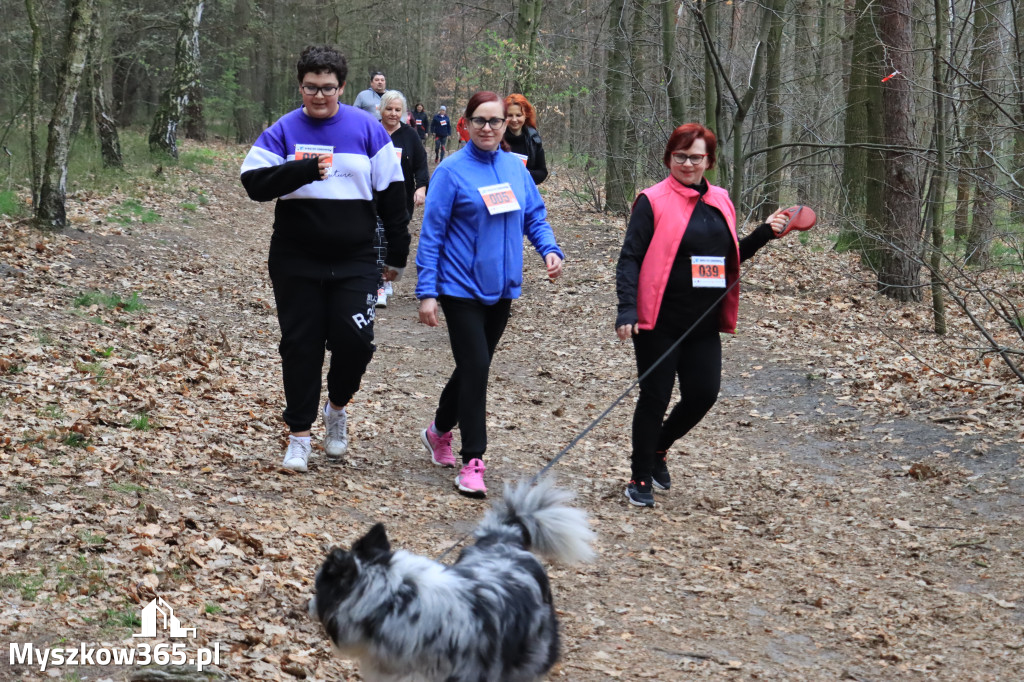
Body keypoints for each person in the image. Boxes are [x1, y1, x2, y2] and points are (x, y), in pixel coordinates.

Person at [240, 46, 409, 473]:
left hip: (355, 258)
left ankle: (337, 408)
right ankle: (299, 435)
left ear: (342, 88)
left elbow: (393, 196)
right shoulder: (283, 129)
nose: (320, 97)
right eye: (312, 88)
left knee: (355, 343)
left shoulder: (367, 128)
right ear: (300, 86)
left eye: (328, 89)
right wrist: (301, 169)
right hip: (296, 258)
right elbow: (254, 184)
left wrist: (398, 256)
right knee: (301, 346)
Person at [615, 122, 792, 508]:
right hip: (659, 318)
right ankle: (640, 475)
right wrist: (626, 308)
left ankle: (658, 448)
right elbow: (630, 257)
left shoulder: (721, 200)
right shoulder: (652, 200)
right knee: (655, 395)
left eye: (696, 157)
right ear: (669, 157)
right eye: (680, 156)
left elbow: (728, 260)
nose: (687, 163)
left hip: (703, 320)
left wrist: (765, 233)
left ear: (709, 161)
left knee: (703, 395)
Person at [416, 91, 564, 497]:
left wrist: (549, 249)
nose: (488, 128)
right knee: (477, 367)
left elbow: (534, 215)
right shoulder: (451, 171)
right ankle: (473, 461)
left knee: (471, 366)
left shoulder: (516, 169)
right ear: (465, 123)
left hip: (502, 290)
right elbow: (431, 236)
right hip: (459, 287)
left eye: (495, 121)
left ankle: (438, 430)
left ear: (506, 126)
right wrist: (427, 291)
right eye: (479, 121)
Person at [376, 90, 428, 308]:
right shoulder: (373, 130)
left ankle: (389, 278)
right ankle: (377, 283)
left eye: (398, 110)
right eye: (389, 109)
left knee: (393, 237)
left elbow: (421, 164)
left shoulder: (410, 135)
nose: (393, 113)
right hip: (373, 195)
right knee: (376, 237)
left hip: (401, 197)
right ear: (380, 109)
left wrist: (422, 187)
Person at [503, 93, 547, 185]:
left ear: (526, 115)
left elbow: (542, 172)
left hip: (526, 189)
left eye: (518, 115)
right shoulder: (496, 139)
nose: (514, 120)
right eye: (510, 115)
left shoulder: (534, 138)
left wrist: (525, 174)